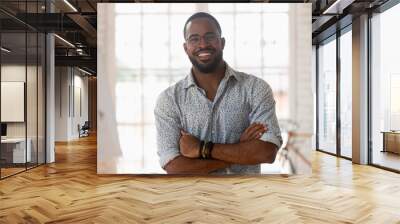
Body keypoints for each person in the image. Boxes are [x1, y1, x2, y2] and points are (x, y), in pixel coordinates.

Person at [154, 12, 282, 174]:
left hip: (244, 195)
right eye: (194, 39)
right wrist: (239, 149)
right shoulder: (169, 100)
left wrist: (201, 148)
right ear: (186, 48)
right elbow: (174, 166)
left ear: (222, 42)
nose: (203, 44)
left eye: (210, 37)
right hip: (193, 196)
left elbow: (267, 152)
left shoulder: (255, 88)